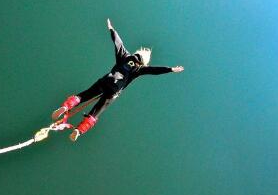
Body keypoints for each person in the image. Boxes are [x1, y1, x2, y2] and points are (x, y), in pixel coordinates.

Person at [52, 19, 184, 142]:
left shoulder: (125, 56)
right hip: (114, 90)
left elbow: (118, 43)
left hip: (106, 80)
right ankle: (79, 130)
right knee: (96, 111)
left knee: (84, 95)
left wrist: (112, 29)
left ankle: (66, 106)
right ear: (145, 61)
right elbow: (154, 70)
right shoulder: (140, 68)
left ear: (136, 53)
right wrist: (170, 69)